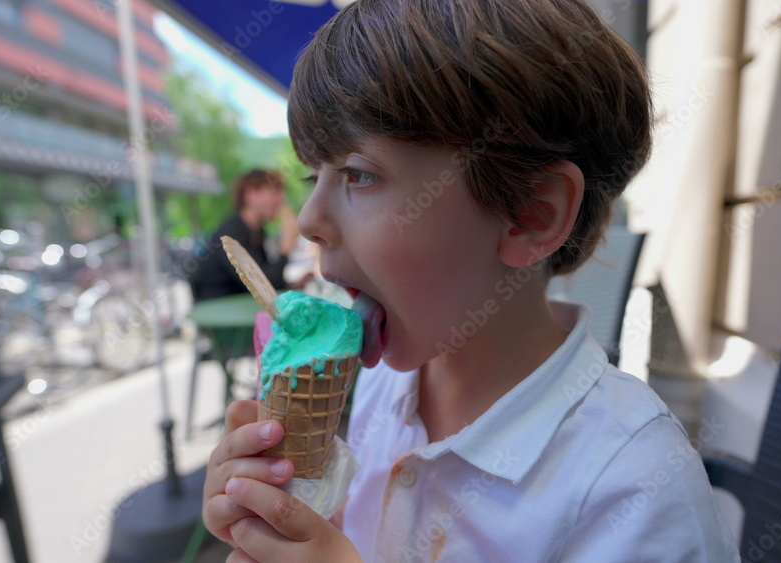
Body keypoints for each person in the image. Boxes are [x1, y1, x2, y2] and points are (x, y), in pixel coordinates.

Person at [202, 1, 740, 561]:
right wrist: (291, 515)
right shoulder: (386, 385)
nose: (308, 219)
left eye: (360, 174)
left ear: (530, 211)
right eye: (316, 176)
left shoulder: (631, 489)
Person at [190, 169, 300, 301]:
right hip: (218, 314)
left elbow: (266, 277)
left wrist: (292, 285)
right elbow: (265, 288)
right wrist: (286, 246)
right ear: (251, 195)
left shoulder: (256, 231)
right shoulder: (231, 235)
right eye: (275, 191)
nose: (281, 199)